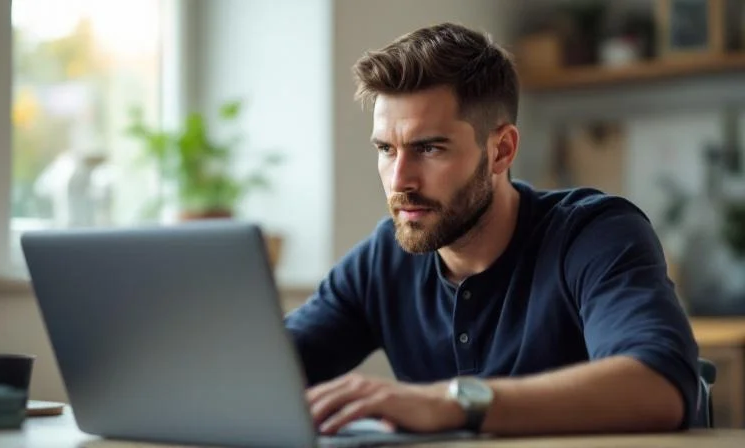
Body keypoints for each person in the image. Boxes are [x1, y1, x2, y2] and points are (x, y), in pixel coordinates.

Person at [284, 22, 699, 437]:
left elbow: (659, 386)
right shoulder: (382, 261)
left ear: (501, 150)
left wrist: (450, 402)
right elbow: (264, 370)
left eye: (429, 148)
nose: (399, 181)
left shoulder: (594, 235)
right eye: (386, 150)